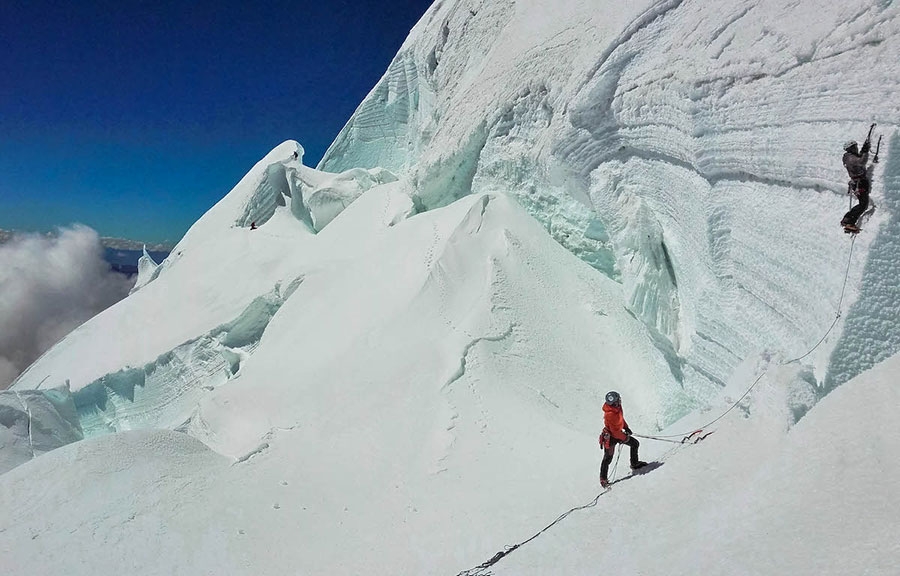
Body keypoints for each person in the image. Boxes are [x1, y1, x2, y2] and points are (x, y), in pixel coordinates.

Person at [599, 391, 646, 488]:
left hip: (618, 434)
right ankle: (603, 479)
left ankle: (635, 463)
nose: (620, 400)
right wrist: (625, 437)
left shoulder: (617, 408)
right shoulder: (610, 414)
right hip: (611, 437)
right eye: (618, 399)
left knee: (635, 444)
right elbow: (615, 432)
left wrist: (626, 427)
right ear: (614, 402)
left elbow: (621, 419)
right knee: (607, 459)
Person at [840, 125, 874, 232]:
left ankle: (848, 221)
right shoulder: (850, 158)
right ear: (851, 148)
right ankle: (848, 221)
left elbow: (858, 158)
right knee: (863, 204)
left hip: (857, 183)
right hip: (860, 183)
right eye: (855, 146)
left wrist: (864, 149)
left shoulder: (848, 157)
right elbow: (861, 161)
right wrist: (865, 150)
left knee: (862, 204)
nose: (856, 148)